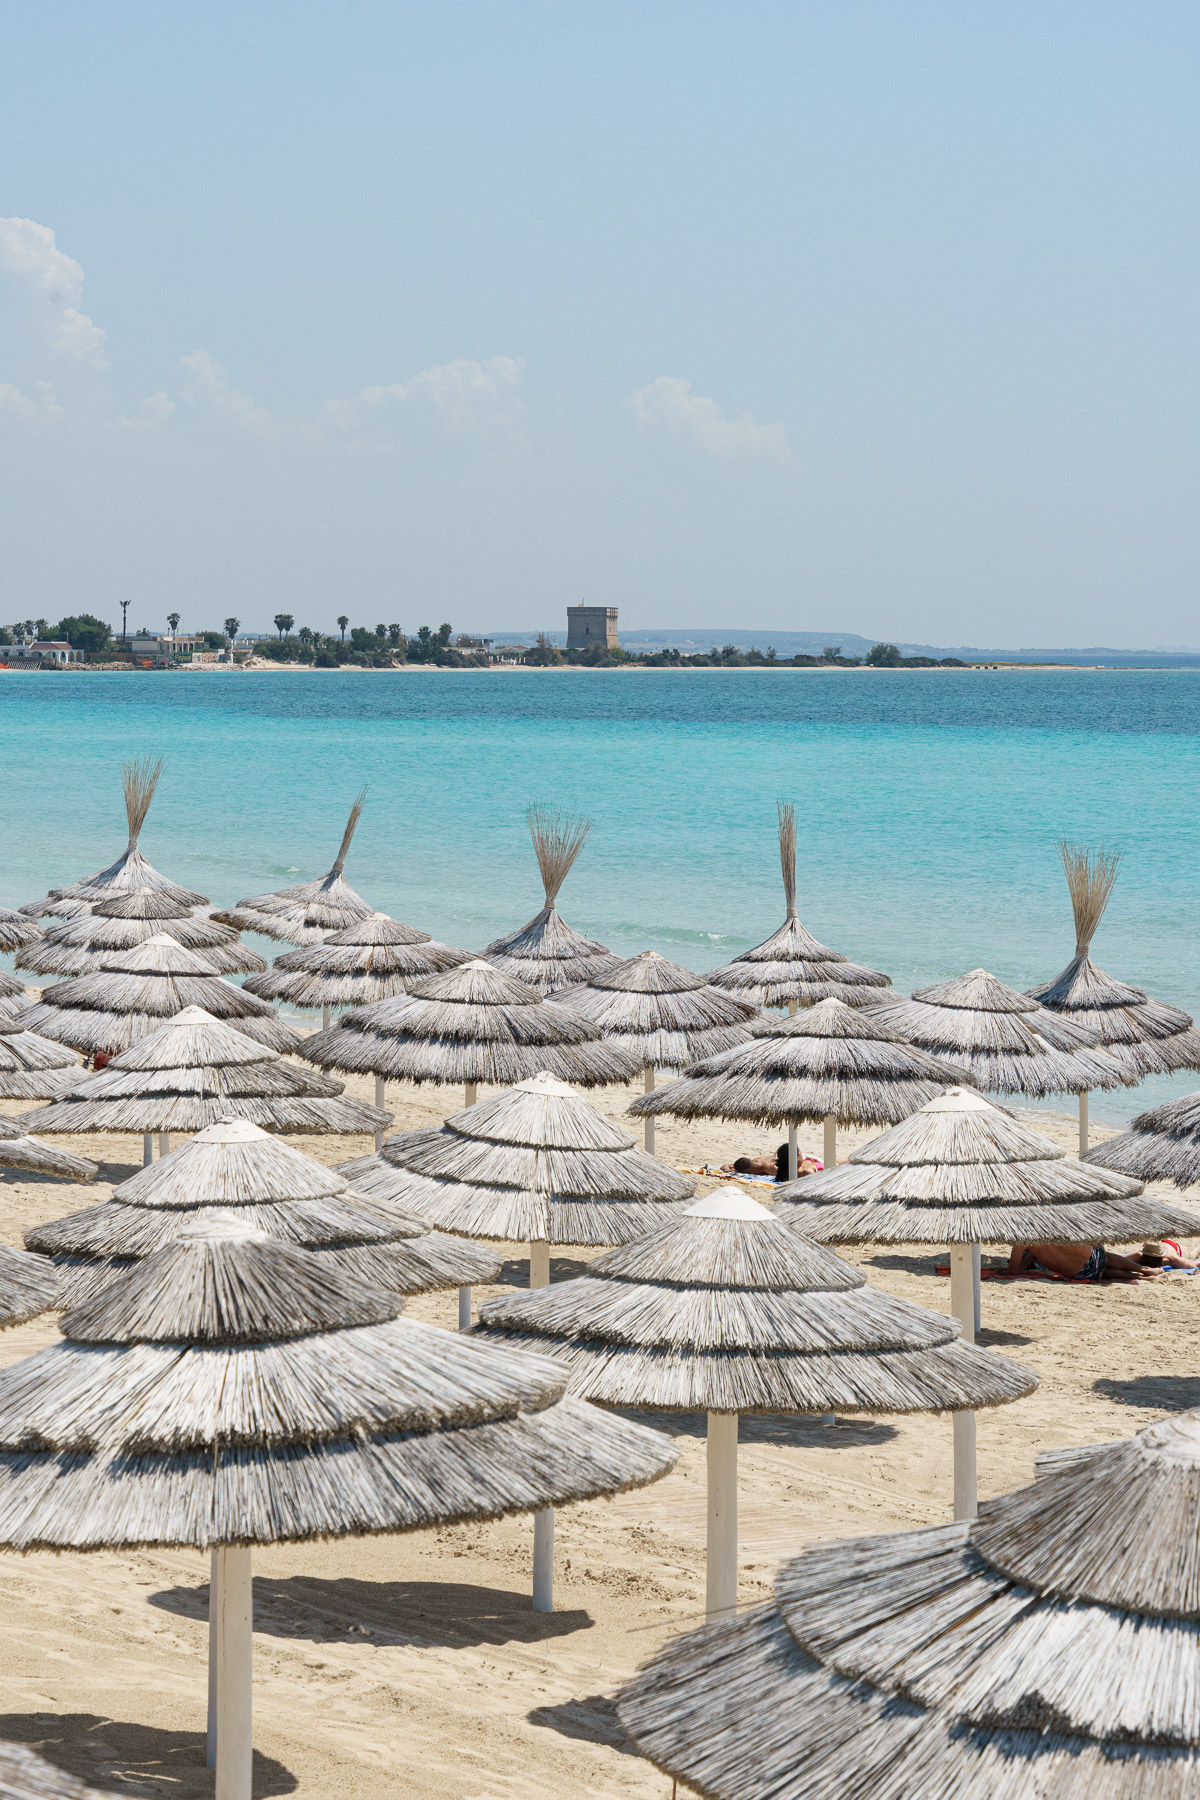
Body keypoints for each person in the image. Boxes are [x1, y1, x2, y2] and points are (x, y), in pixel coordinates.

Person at [1007, 1241, 1198, 1282]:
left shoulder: (1021, 1242)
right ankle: (1145, 1270)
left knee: (1102, 1272)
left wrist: (1030, 1258)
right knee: (1105, 1260)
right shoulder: (1052, 1223)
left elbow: (1013, 1272)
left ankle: (1146, 1277)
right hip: (1094, 1254)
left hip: (1082, 1271)